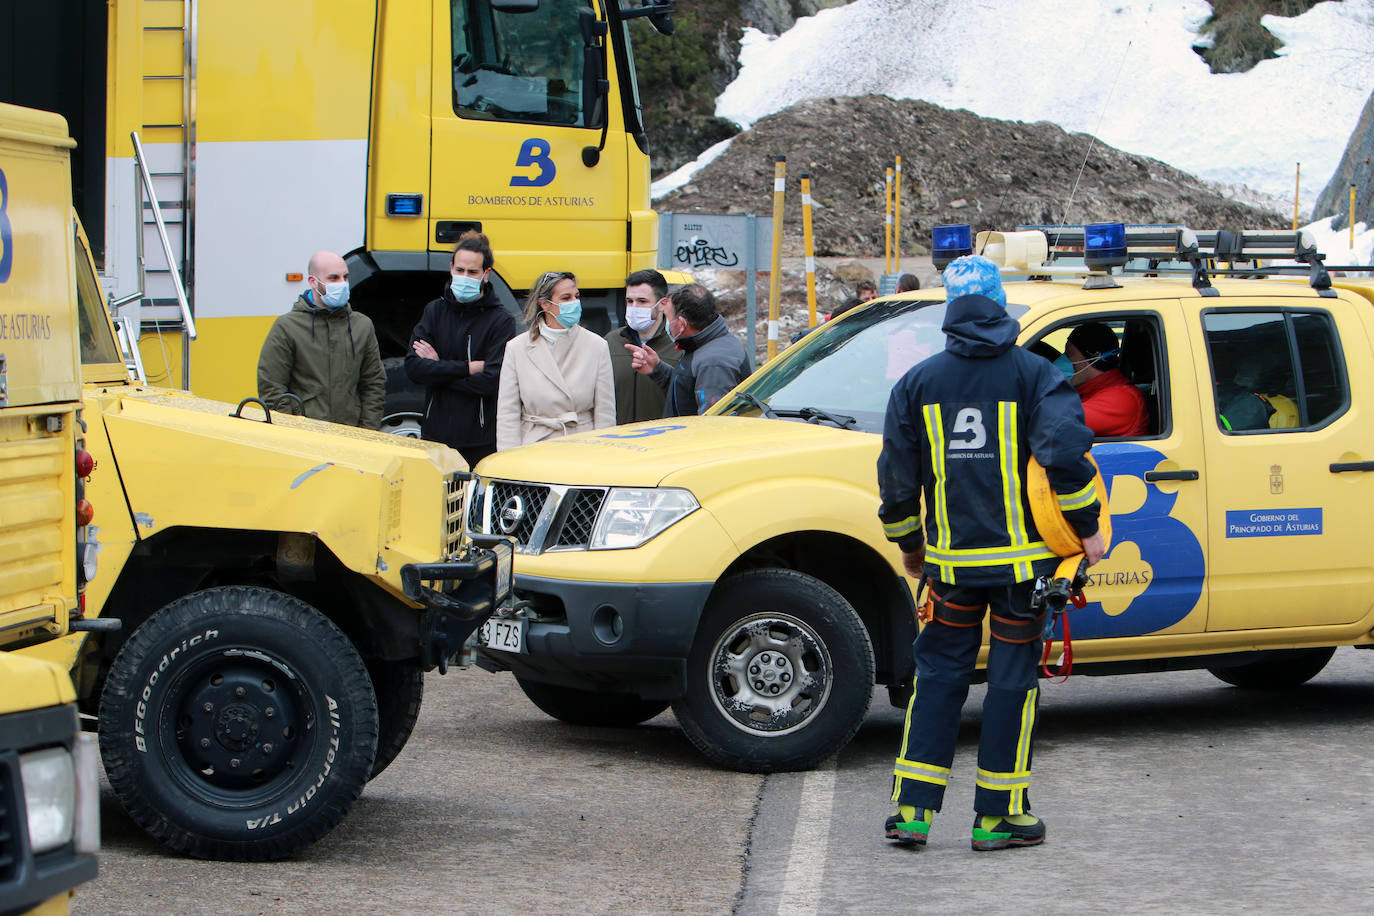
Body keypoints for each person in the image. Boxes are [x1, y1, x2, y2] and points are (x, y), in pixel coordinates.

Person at [877, 255, 1105, 852]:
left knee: (937, 680)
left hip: (951, 570)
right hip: (1022, 572)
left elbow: (897, 484)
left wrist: (911, 548)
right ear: (1001, 303)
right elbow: (1065, 459)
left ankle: (913, 814)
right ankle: (997, 818)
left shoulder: (917, 384)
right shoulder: (1036, 375)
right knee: (1011, 682)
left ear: (950, 311)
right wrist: (1089, 531)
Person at [404, 231, 517, 467]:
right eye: (460, 270)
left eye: (473, 272)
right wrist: (468, 368)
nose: (465, 277)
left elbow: (492, 381)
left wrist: (437, 368)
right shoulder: (434, 311)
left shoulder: (501, 321)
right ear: (451, 268)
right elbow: (414, 368)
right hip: (436, 438)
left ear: (486, 274)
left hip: (479, 441)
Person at [257, 250, 385, 429]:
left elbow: (374, 384)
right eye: (333, 278)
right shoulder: (287, 327)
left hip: (350, 436)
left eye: (345, 277)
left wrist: (367, 431)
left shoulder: (362, 326)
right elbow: (272, 387)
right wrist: (290, 430)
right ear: (313, 282)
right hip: (305, 437)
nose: (342, 283)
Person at [497, 271, 615, 449]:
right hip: (534, 446)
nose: (574, 303)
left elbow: (605, 412)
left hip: (582, 446)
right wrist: (507, 461)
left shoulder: (597, 346)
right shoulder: (517, 348)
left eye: (576, 296)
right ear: (545, 304)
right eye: (566, 298)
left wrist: (602, 453)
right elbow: (508, 413)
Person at [626, 283, 750, 417]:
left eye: (667, 318)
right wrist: (657, 369)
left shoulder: (714, 363)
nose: (665, 323)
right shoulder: (705, 345)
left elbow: (712, 427)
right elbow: (688, 391)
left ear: (682, 324)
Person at [606, 268, 683, 423]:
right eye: (629, 301)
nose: (634, 308)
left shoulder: (680, 347)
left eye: (642, 301)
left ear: (662, 304)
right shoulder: (610, 342)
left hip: (662, 440)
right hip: (616, 440)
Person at [1059, 322, 1149, 437]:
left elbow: (1054, 422)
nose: (1062, 360)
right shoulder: (1090, 390)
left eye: (1069, 355)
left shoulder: (1121, 399)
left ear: (1093, 358)